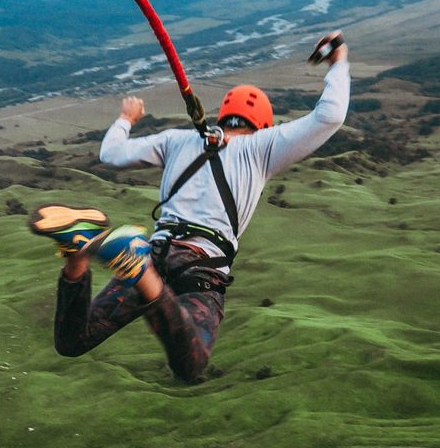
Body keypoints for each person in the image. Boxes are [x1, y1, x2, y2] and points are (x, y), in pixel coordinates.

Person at [28, 31, 349, 383]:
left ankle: (78, 253)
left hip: (157, 249)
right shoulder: (262, 148)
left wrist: (126, 119)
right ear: (263, 125)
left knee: (72, 342)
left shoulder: (178, 140)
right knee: (190, 365)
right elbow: (330, 115)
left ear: (224, 116)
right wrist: (338, 61)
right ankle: (140, 272)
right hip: (199, 264)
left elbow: (111, 154)